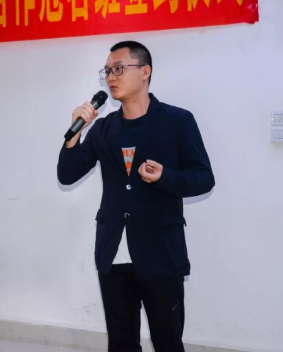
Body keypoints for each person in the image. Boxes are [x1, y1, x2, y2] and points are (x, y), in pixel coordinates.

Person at [57, 41, 215, 352]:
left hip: (161, 252)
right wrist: (74, 134)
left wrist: (165, 177)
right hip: (113, 252)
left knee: (167, 343)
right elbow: (67, 174)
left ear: (145, 72)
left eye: (118, 69)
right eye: (107, 71)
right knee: (121, 344)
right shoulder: (103, 129)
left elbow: (203, 178)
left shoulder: (177, 121)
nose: (110, 77)